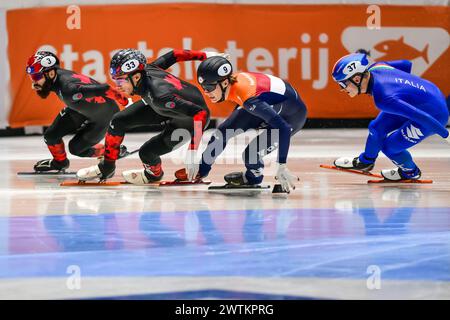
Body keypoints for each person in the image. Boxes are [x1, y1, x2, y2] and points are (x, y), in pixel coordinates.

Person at [77, 49, 224, 183]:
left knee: (147, 153)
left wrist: (192, 151)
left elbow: (201, 113)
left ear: (135, 77)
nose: (118, 86)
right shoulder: (148, 69)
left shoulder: (159, 95)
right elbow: (174, 55)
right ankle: (106, 168)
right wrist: (205, 55)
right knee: (117, 121)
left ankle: (153, 174)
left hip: (188, 121)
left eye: (121, 80)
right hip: (165, 107)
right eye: (116, 80)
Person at [176, 56, 308, 193]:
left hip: (292, 116)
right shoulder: (236, 86)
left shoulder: (249, 98)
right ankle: (200, 171)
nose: (206, 93)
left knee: (251, 154)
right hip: (270, 103)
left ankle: (252, 178)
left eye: (209, 87)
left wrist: (281, 165)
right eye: (203, 87)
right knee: (222, 132)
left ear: (225, 83)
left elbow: (284, 128)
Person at [332, 53, 449, 181]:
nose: (342, 89)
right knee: (376, 128)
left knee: (390, 148)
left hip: (435, 115)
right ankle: (365, 162)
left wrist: (446, 135)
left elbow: (420, 116)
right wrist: (406, 88)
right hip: (431, 93)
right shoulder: (377, 67)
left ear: (356, 79)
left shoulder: (384, 98)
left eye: (343, 84)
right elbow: (406, 64)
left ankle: (410, 172)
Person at [26, 51, 128, 172]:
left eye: (36, 77)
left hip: (104, 116)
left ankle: (113, 150)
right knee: (51, 136)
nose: (34, 83)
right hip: (81, 108)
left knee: (76, 148)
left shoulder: (68, 89)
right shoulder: (58, 79)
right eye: (31, 77)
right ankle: (60, 163)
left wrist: (124, 101)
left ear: (51, 73)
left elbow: (104, 88)